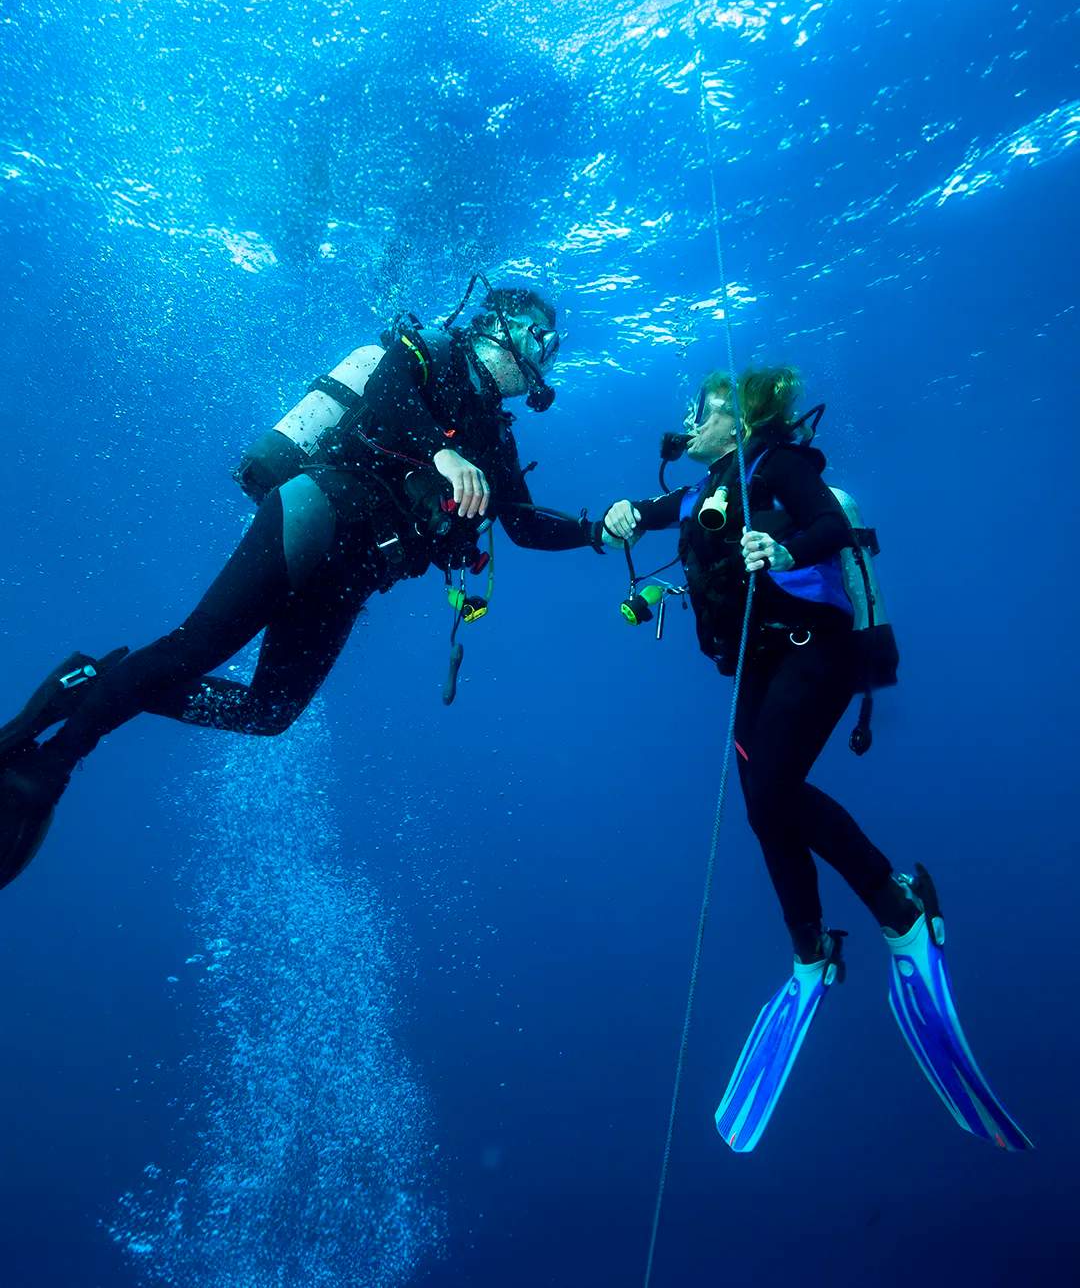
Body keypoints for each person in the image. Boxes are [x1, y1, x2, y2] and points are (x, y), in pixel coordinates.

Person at [0, 279, 603, 890]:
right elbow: (388, 390)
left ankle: (90, 687)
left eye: (553, 343)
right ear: (497, 323)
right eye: (538, 333)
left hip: (352, 578)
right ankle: (51, 766)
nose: (548, 351)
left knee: (269, 713)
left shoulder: (496, 436)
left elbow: (523, 525)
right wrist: (440, 456)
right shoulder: (430, 351)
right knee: (195, 647)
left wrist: (597, 529)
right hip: (318, 513)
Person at [601, 366, 1030, 1152]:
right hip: (760, 668)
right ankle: (810, 949)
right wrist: (626, 514)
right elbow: (661, 512)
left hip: (816, 652)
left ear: (741, 417)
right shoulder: (705, 491)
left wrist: (782, 542)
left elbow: (830, 527)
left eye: (704, 409)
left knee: (772, 791)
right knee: (765, 809)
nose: (690, 419)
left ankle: (902, 912)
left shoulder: (782, 465)